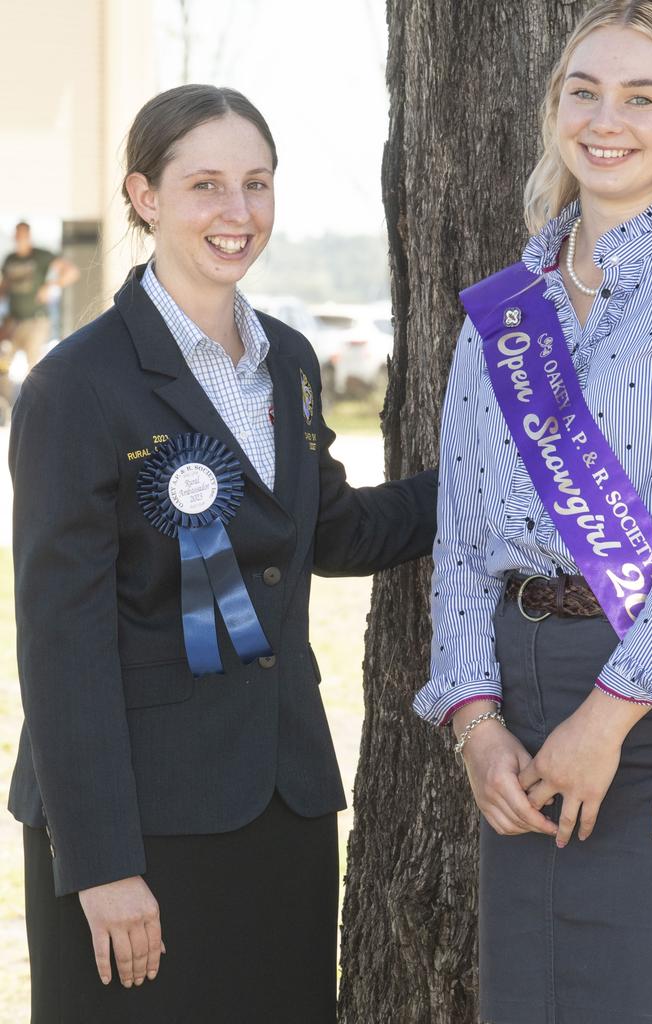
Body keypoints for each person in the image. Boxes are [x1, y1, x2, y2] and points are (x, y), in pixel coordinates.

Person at [9, 84, 437, 1024]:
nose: (237, 213)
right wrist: (105, 865)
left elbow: (330, 533)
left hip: (282, 808)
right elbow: (59, 647)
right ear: (145, 195)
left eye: (258, 183)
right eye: (205, 184)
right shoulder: (73, 388)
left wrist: (476, 487)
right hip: (139, 827)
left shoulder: (287, 359)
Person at [414, 1, 652, 1021]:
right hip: (520, 726)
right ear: (554, 109)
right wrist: (476, 723)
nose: (606, 118)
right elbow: (463, 538)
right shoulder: (504, 308)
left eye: (642, 95)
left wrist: (607, 719)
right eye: (584, 91)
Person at [0, 221, 80, 367]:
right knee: (3, 362)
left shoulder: (40, 256)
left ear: (29, 236)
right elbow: (4, 287)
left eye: (23, 235)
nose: (20, 239)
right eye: (17, 235)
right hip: (13, 321)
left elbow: (72, 272)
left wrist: (51, 285)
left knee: (33, 366)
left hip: (36, 321)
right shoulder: (10, 259)